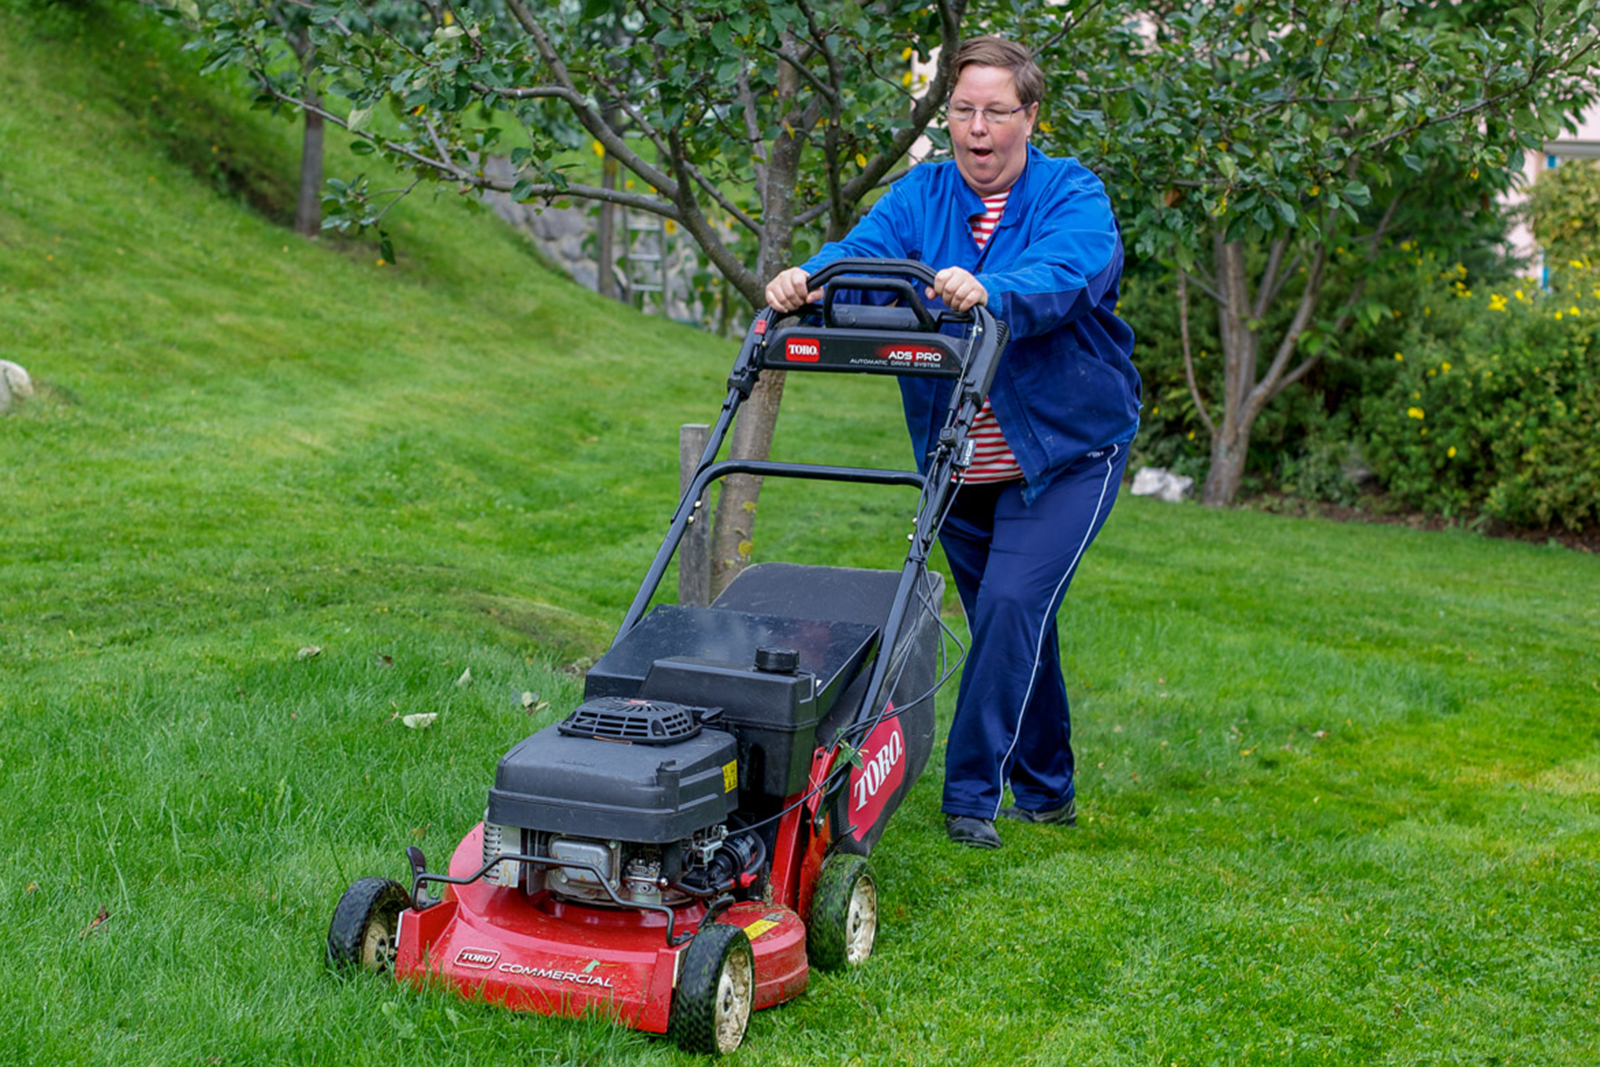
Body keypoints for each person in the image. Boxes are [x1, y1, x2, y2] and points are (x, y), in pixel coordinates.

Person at [765, 36, 1140, 849]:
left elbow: (1070, 270)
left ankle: (970, 796)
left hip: (1068, 455)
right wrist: (807, 279)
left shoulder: (1073, 194)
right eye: (962, 110)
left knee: (1010, 604)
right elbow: (858, 257)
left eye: (996, 112)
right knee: (1015, 618)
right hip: (961, 459)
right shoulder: (920, 197)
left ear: (1029, 117)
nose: (977, 129)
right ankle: (1049, 788)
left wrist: (992, 288)